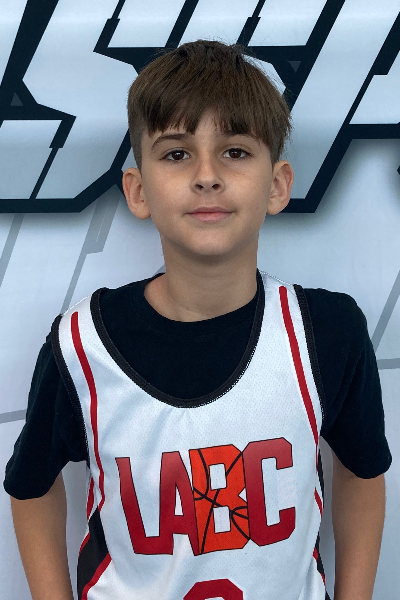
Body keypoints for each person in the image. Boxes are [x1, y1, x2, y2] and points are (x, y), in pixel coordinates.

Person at [3, 40, 391, 600]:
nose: (207, 176)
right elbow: (30, 487)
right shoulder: (82, 346)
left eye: (235, 151)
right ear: (138, 191)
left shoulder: (326, 332)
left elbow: (363, 470)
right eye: (177, 154)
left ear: (277, 184)